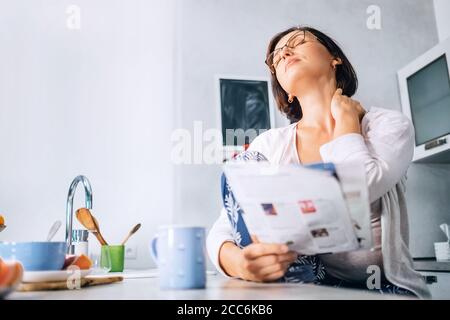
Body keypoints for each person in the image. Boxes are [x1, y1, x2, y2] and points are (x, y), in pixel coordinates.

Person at [206, 26, 430, 299]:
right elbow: (223, 230)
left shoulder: (385, 125)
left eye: (298, 41)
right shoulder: (269, 146)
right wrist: (240, 264)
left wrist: (346, 123)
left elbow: (358, 188)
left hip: (385, 291)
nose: (285, 52)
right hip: (307, 291)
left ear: (334, 58)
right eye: (276, 58)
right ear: (285, 90)